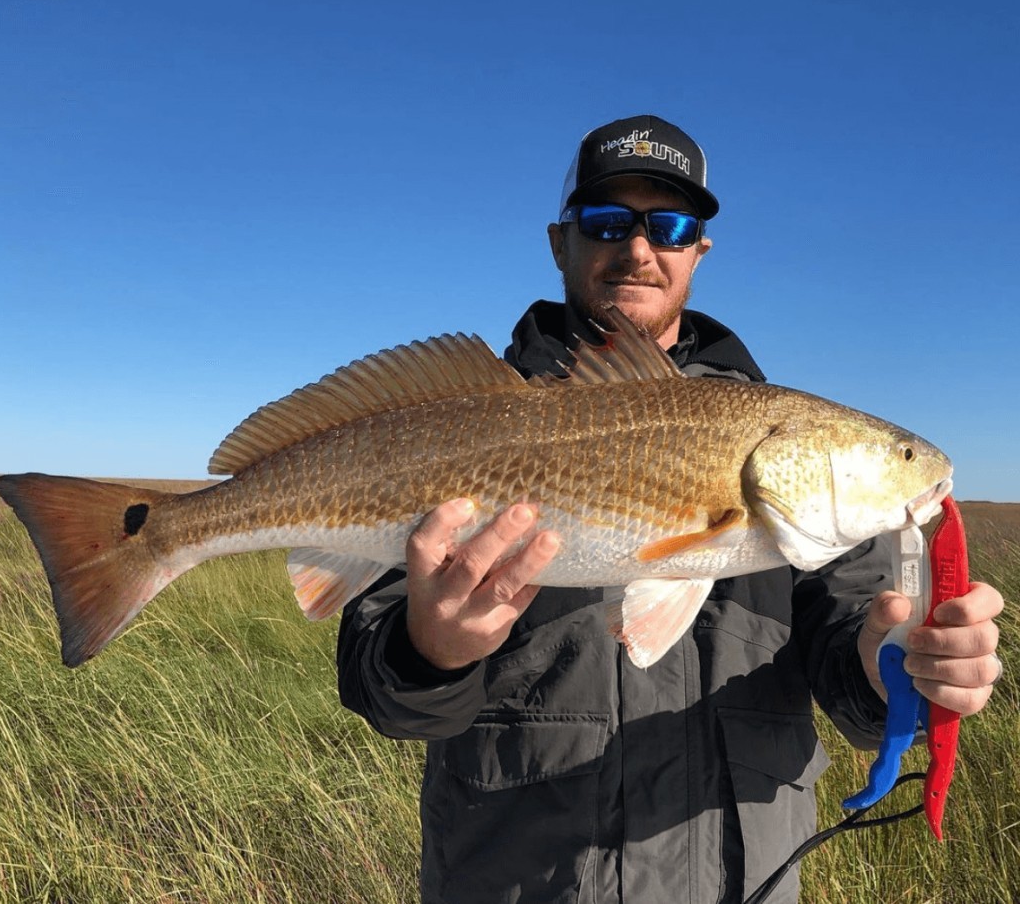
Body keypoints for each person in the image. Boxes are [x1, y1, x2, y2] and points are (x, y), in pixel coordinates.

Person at [337, 115, 1004, 904]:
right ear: (562, 241)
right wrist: (427, 651)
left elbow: (853, 665)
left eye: (672, 225)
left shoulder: (795, 479)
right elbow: (380, 686)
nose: (640, 248)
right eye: (608, 221)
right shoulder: (464, 416)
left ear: (699, 249)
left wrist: (890, 664)